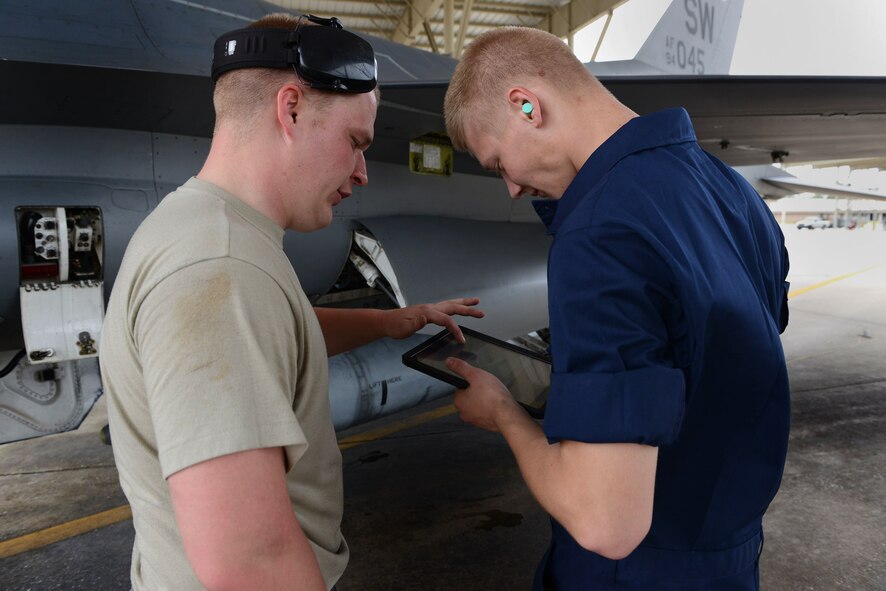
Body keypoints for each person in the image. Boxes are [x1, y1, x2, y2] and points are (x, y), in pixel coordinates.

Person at [100, 13, 483, 591]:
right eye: (355, 142)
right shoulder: (221, 269)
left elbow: (272, 330)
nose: (362, 173)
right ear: (291, 109)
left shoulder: (205, 229)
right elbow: (250, 563)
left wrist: (387, 322)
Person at [443, 27, 791, 590]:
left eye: (498, 162)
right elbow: (725, 357)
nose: (510, 188)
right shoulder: (733, 192)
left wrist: (503, 414)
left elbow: (606, 523)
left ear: (526, 105)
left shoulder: (598, 233)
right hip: (728, 558)